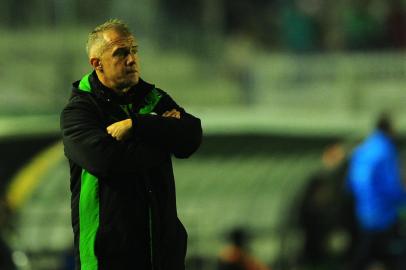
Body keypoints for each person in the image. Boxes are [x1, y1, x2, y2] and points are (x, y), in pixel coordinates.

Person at [60, 19, 202, 270]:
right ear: (97, 64)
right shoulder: (79, 111)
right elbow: (109, 161)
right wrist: (163, 136)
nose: (131, 59)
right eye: (121, 53)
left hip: (162, 256)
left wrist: (137, 126)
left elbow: (191, 138)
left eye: (134, 50)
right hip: (108, 259)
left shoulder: (152, 97)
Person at [346, 114, 406, 270]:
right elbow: (389, 185)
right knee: (396, 256)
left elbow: (351, 182)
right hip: (383, 214)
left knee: (364, 255)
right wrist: (402, 198)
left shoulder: (364, 148)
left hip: (363, 212)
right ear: (389, 129)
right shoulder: (385, 149)